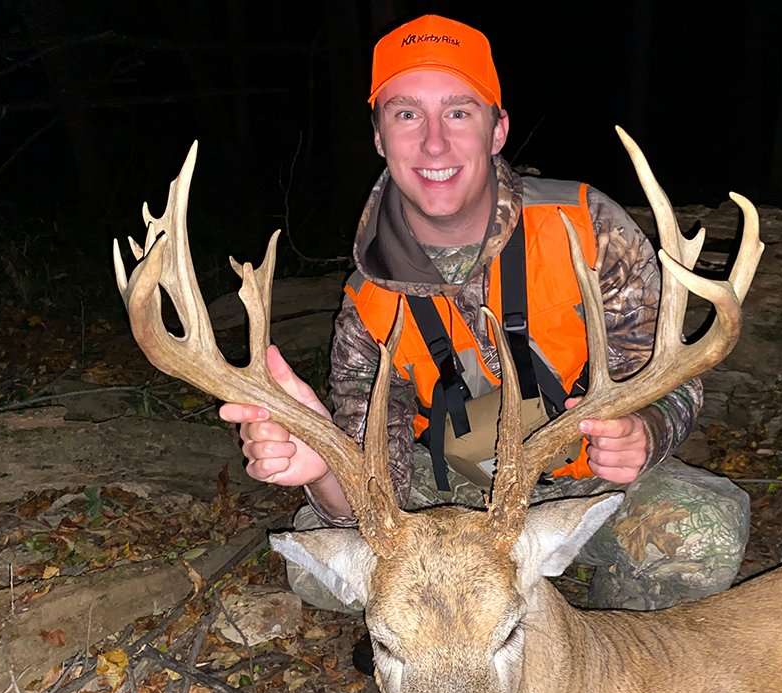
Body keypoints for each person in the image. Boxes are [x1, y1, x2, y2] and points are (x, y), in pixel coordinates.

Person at [220, 14, 750, 651]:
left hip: (581, 489)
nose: (434, 143)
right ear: (380, 137)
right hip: (452, 498)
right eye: (407, 114)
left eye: (459, 112)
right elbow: (375, 484)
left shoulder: (587, 227)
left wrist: (647, 430)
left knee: (702, 531)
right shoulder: (368, 302)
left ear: (497, 129)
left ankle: (593, 662)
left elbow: (673, 376)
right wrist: (323, 467)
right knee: (318, 558)